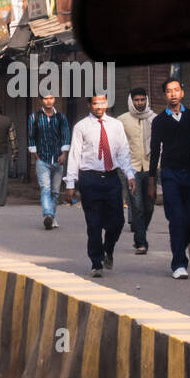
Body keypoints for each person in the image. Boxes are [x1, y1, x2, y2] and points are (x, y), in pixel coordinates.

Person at [63, 94, 136, 277]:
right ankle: (96, 262)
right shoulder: (81, 127)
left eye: (102, 102)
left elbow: (123, 152)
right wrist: (70, 183)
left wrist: (129, 174)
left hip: (112, 178)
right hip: (90, 179)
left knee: (117, 221)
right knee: (94, 224)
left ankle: (108, 249)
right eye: (95, 103)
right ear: (89, 104)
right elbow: (75, 154)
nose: (99, 106)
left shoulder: (116, 125)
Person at [148, 77, 190, 279]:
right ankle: (178, 263)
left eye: (176, 90)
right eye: (169, 91)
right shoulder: (159, 121)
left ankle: (179, 246)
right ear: (165, 95)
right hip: (169, 174)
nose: (173, 94)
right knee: (176, 218)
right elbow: (154, 151)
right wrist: (151, 180)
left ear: (182, 93)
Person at [117, 87, 156, 254]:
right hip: (131, 169)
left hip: (151, 168)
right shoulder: (122, 121)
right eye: (136, 100)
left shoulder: (154, 119)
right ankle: (141, 242)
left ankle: (140, 233)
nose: (139, 103)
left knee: (149, 207)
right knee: (137, 206)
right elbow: (118, 146)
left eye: (142, 100)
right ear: (131, 101)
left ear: (146, 100)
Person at [27, 94, 70, 229]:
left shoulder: (61, 117)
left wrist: (64, 153)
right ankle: (47, 215)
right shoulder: (35, 117)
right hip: (42, 159)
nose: (49, 101)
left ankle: (52, 217)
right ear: (41, 100)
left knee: (55, 191)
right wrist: (35, 155)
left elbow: (65, 135)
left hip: (58, 159)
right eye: (45, 98)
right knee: (45, 188)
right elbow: (31, 136)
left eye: (51, 98)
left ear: (54, 99)